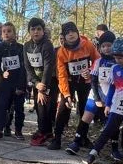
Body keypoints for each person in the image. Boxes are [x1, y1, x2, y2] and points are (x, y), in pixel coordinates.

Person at [47, 21, 99, 150]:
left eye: (73, 31)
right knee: (64, 107)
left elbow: (98, 60)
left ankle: (83, 137)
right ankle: (57, 138)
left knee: (84, 108)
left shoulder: (88, 45)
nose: (71, 34)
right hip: (69, 81)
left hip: (84, 81)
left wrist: (91, 72)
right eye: (67, 33)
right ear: (63, 36)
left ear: (77, 32)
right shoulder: (61, 52)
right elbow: (62, 75)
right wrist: (66, 93)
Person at [65, 30, 117, 157]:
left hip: (113, 97)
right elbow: (93, 81)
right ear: (100, 47)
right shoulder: (98, 61)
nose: (106, 48)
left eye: (109, 45)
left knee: (112, 122)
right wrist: (97, 98)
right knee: (86, 117)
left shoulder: (118, 61)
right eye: (103, 46)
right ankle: (76, 142)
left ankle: (115, 149)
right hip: (96, 94)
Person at [24, 18, 58, 146]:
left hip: (49, 81)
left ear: (43, 31)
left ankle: (46, 132)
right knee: (39, 108)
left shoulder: (47, 44)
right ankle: (43, 130)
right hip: (37, 81)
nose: (36, 32)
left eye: (39, 29)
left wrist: (43, 88)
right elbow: (28, 66)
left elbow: (49, 66)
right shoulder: (27, 46)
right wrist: (36, 83)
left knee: (46, 107)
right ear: (29, 31)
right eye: (33, 29)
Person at [0, 22, 26, 139]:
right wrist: (2, 73)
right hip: (4, 83)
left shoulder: (21, 48)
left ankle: (18, 130)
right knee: (2, 106)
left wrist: (21, 86)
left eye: (9, 31)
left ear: (14, 33)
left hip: (18, 82)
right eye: (4, 31)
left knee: (18, 108)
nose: (6, 33)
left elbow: (24, 68)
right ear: (1, 34)